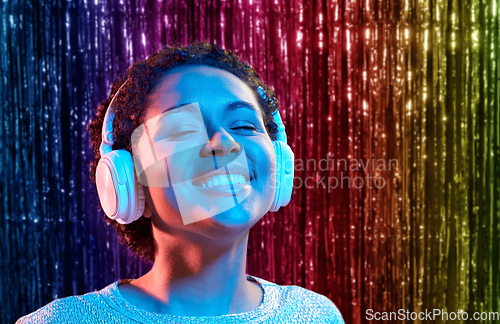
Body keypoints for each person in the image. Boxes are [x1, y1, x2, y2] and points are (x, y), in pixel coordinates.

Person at [17, 41, 345, 323]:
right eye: (183, 131)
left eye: (244, 126)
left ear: (279, 163)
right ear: (128, 179)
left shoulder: (316, 315)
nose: (223, 144)